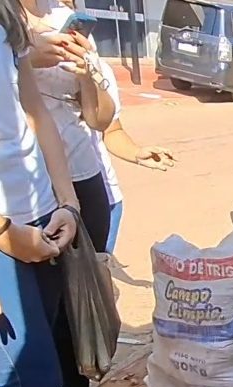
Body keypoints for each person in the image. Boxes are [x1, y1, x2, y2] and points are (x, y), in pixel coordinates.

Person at [0, 0, 115, 387]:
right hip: (4, 232)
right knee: (7, 380)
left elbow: (34, 110)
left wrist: (63, 199)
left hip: (39, 213)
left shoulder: (9, 22)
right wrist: (4, 231)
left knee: (38, 373)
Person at [22, 0, 134, 387]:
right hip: (31, 186)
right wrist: (28, 60)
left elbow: (100, 118)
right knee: (40, 309)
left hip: (83, 179)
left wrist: (88, 75)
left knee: (82, 301)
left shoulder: (64, 20)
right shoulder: (10, 25)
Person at [87, 58, 176, 253]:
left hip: (104, 198)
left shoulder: (99, 69)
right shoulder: (16, 71)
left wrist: (136, 153)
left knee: (97, 273)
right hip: (48, 203)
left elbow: (110, 130)